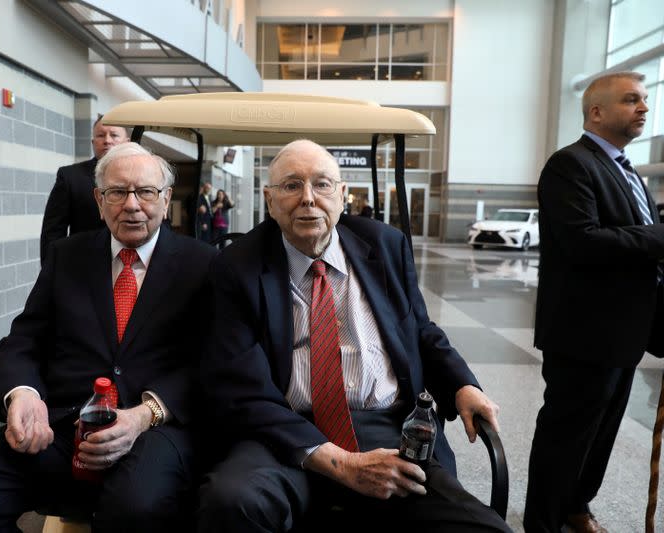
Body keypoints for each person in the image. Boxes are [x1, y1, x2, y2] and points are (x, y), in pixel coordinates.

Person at [197, 139, 510, 532]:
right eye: (292, 186)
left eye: (322, 184)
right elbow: (239, 386)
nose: (308, 199)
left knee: (483, 528)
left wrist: (463, 385)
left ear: (343, 194)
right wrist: (342, 464)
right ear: (270, 199)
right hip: (285, 432)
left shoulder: (385, 245)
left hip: (384, 426)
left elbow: (421, 331)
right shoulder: (236, 266)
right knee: (231, 502)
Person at [0, 143, 217, 532]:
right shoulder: (67, 255)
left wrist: (144, 414)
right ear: (99, 201)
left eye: (145, 192)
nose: (131, 205)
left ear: (166, 199)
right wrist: (23, 394)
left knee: (136, 510)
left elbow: (212, 361)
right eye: (117, 192)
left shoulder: (204, 264)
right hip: (59, 428)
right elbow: (24, 340)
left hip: (151, 433)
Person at [525, 71, 664, 533]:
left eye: (645, 100)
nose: (644, 107)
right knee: (567, 435)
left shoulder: (627, 169)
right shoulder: (571, 165)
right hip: (583, 333)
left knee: (601, 435)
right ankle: (543, 522)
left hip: (625, 331)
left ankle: (576, 507)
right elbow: (582, 241)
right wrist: (660, 236)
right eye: (631, 100)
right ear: (597, 112)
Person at [39, 116, 130, 262]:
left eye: (114, 135)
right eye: (100, 135)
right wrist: (52, 273)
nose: (107, 140)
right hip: (84, 265)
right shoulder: (70, 177)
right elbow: (53, 232)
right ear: (93, 142)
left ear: (127, 142)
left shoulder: (143, 175)